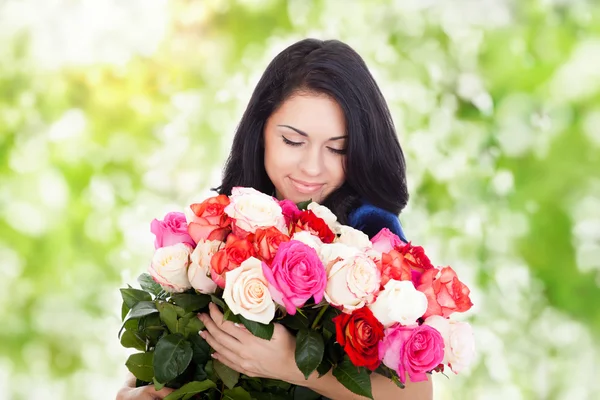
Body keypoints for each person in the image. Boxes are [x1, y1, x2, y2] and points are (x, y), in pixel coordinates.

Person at [117, 38, 432, 400]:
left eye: (337, 148)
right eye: (293, 141)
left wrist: (292, 365)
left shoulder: (371, 231)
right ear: (261, 130)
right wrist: (140, 391)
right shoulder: (224, 221)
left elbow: (416, 394)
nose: (312, 167)